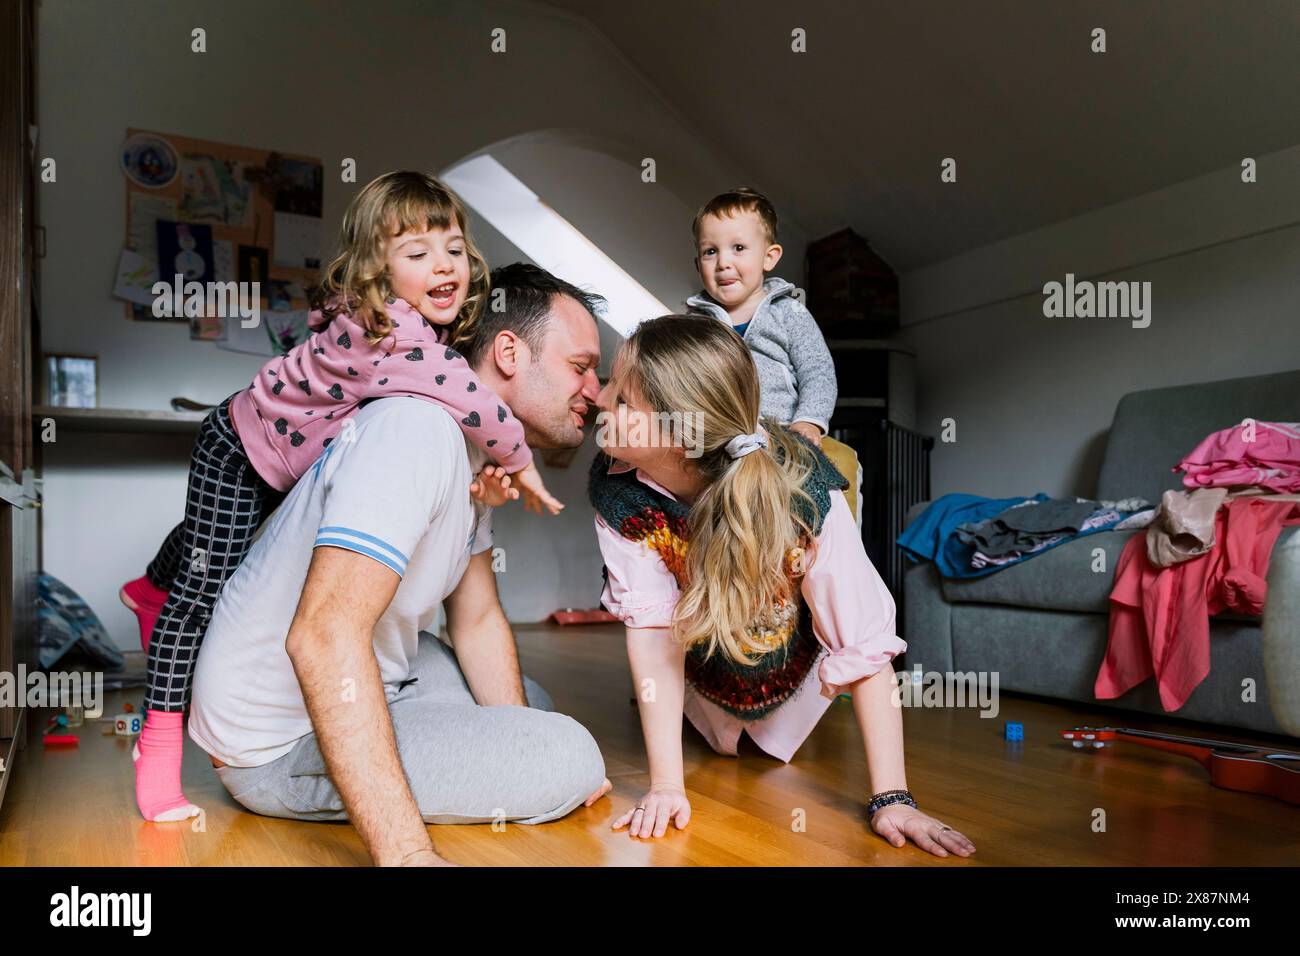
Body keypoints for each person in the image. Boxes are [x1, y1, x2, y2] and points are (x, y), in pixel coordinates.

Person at [119, 172, 563, 822]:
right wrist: (522, 464)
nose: (444, 266)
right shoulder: (397, 340)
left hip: (290, 462)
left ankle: (155, 578)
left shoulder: (411, 334)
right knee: (199, 597)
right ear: (377, 276)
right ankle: (156, 745)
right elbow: (478, 405)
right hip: (241, 448)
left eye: (452, 248)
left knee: (239, 558)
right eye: (417, 254)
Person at [187, 263, 611, 866]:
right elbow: (321, 635)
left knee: (533, 710)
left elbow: (479, 619)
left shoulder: (471, 447)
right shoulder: (416, 431)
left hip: (371, 675)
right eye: (581, 366)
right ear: (510, 353)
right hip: (276, 741)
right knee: (572, 756)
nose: (595, 389)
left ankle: (519, 749)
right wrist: (408, 855)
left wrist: (520, 742)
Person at [588, 315, 975, 857]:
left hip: (794, 674)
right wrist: (666, 785)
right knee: (712, 738)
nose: (599, 400)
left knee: (768, 749)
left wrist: (893, 798)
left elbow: (863, 641)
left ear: (681, 434)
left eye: (622, 400)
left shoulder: (803, 490)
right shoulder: (620, 493)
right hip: (703, 668)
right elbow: (653, 636)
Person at [685, 187, 837, 449]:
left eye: (739, 248)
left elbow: (818, 372)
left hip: (781, 430)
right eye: (710, 251)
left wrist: (809, 421)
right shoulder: (694, 324)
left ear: (769, 257)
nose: (723, 262)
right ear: (698, 265)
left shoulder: (789, 312)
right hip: (720, 434)